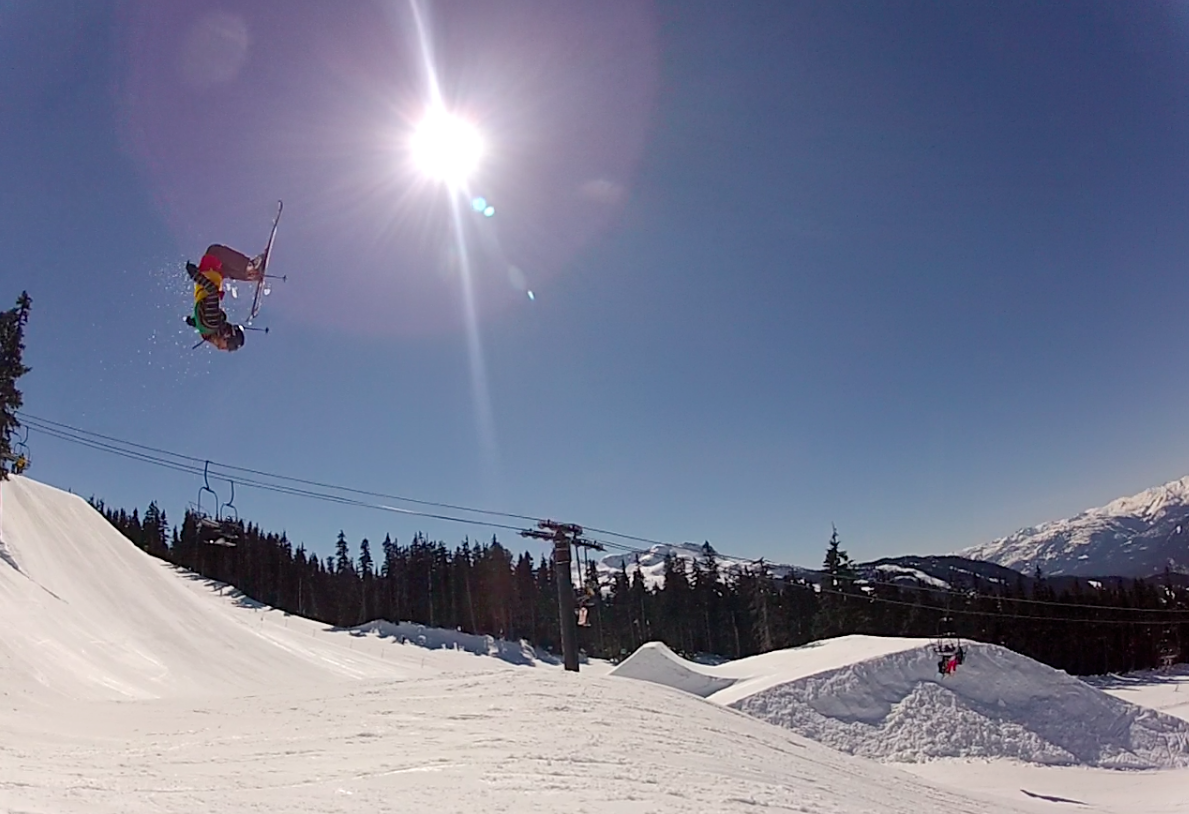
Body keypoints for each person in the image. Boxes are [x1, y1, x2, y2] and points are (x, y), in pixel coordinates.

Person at [185, 244, 264, 351]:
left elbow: (211, 296)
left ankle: (250, 270)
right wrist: (195, 275)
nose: (222, 348)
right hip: (211, 276)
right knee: (220, 259)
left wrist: (194, 323)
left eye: (228, 347)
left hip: (210, 276)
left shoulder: (211, 326)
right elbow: (210, 297)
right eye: (228, 347)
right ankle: (250, 271)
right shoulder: (211, 327)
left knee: (219, 259)